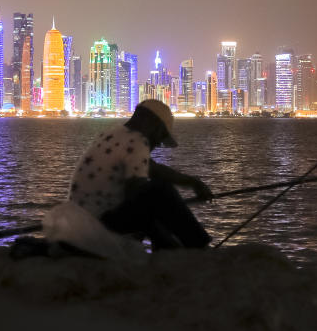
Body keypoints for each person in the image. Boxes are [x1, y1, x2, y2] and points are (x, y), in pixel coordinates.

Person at [68, 99, 213, 250]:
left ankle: (174, 247)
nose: (157, 144)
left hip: (82, 224)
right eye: (161, 136)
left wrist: (193, 182)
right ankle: (199, 246)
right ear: (153, 126)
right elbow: (139, 196)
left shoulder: (113, 134)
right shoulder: (137, 141)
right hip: (100, 226)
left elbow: (154, 169)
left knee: (156, 193)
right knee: (160, 191)